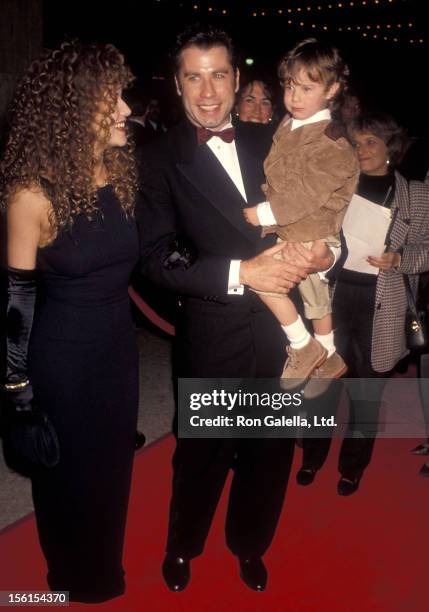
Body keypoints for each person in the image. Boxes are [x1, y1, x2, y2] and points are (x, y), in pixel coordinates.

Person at [137, 24, 337, 592]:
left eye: (219, 74)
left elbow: (322, 210)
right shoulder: (155, 159)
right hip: (214, 331)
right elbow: (153, 258)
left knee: (268, 456)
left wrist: (326, 250)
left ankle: (249, 545)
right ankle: (183, 547)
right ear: (176, 84)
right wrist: (240, 274)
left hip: (283, 337)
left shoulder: (272, 139)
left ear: (237, 79)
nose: (208, 91)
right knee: (200, 456)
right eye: (194, 76)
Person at [0, 41, 140, 602]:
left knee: (112, 473)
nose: (128, 109)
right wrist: (16, 388)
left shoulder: (119, 171)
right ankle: (68, 577)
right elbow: (15, 300)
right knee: (67, 479)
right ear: (74, 109)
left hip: (118, 351)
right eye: (114, 99)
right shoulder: (30, 196)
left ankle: (103, 571)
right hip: (62, 359)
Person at [297, 111, 429, 495]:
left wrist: (401, 259)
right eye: (355, 143)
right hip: (334, 297)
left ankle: (352, 466)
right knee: (323, 384)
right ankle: (312, 457)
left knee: (366, 393)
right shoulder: (339, 185)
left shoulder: (417, 195)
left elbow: (427, 247)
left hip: (382, 303)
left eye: (370, 142)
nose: (361, 150)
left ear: (391, 146)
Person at [243, 39, 359, 388]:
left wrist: (266, 213)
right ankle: (324, 355)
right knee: (312, 298)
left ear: (332, 89)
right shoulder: (289, 125)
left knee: (289, 291)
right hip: (295, 229)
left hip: (310, 229)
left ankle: (309, 347)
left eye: (307, 88)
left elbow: (307, 193)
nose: (294, 96)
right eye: (290, 86)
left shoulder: (331, 140)